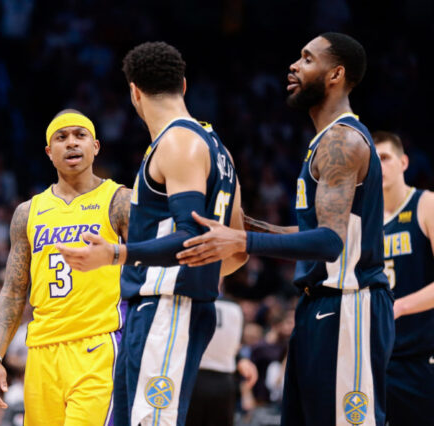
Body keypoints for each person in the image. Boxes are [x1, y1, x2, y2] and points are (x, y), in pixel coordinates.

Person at [176, 33, 394, 425]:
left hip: (350, 306)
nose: (294, 65)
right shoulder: (324, 143)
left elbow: (329, 243)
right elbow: (317, 230)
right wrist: (248, 225)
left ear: (336, 74)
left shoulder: (342, 141)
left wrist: (241, 239)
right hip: (319, 306)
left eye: (307, 59)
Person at [57, 42, 247, 426]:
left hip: (166, 309)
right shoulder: (218, 150)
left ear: (134, 92)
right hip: (168, 307)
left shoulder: (178, 143)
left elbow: (190, 235)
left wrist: (115, 254)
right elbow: (236, 249)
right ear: (184, 84)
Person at [0, 110, 131, 425]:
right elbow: (13, 289)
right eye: (61, 138)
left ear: (96, 146)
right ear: (49, 153)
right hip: (41, 352)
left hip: (98, 345)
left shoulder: (119, 201)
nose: (71, 143)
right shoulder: (27, 212)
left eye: (80, 135)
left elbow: (148, 263)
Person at [373, 131, 434, 425]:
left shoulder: (426, 204)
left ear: (403, 162)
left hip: (420, 359)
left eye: (385, 158)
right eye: (373, 161)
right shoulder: (362, 219)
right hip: (374, 359)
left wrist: (399, 307)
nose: (379, 166)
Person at [185, 296, 258, 426]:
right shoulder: (235, 307)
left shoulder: (187, 300)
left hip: (191, 379)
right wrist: (241, 359)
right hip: (223, 383)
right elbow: (236, 346)